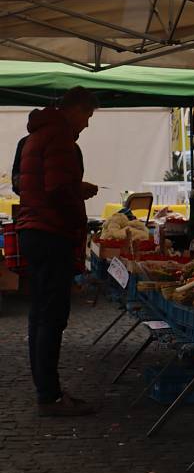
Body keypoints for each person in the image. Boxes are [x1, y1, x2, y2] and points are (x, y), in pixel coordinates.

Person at [16, 86, 99, 417]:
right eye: (88, 116)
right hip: (51, 233)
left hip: (34, 230)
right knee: (51, 316)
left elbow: (39, 183)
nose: (88, 124)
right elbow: (58, 190)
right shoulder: (61, 137)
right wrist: (78, 212)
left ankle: (46, 390)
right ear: (76, 109)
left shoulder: (37, 135)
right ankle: (49, 396)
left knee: (40, 313)